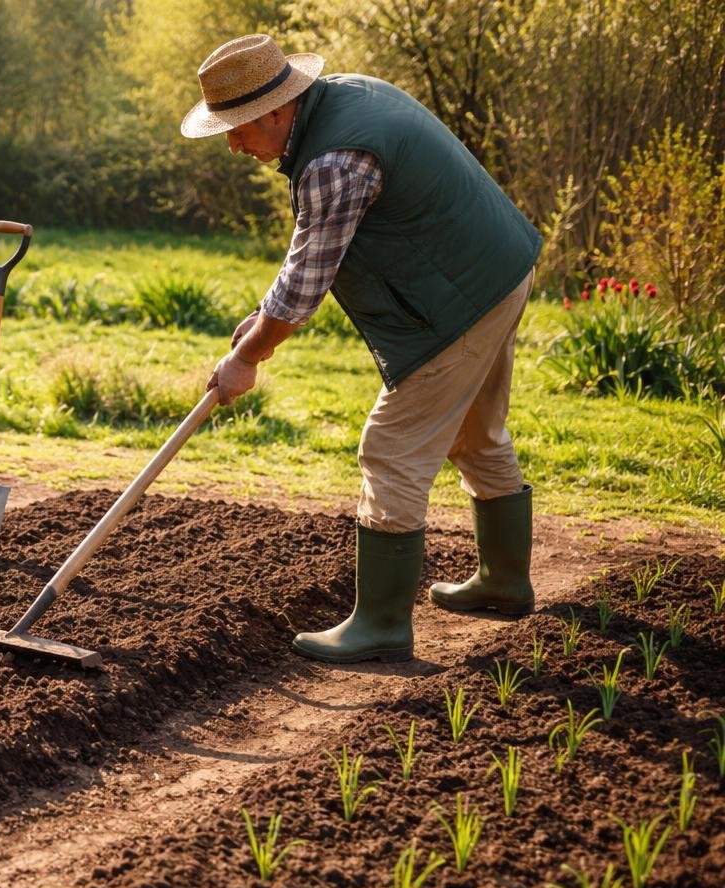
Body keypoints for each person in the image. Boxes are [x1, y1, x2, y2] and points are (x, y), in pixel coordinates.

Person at [181, 34, 542, 663]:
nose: (235, 145)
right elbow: (308, 261)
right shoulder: (351, 97)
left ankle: (379, 625)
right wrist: (261, 322)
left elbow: (303, 287)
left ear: (274, 110)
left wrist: (248, 357)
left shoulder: (333, 159)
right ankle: (505, 582)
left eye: (237, 128)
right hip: (498, 269)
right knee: (476, 431)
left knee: (391, 448)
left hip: (457, 302)